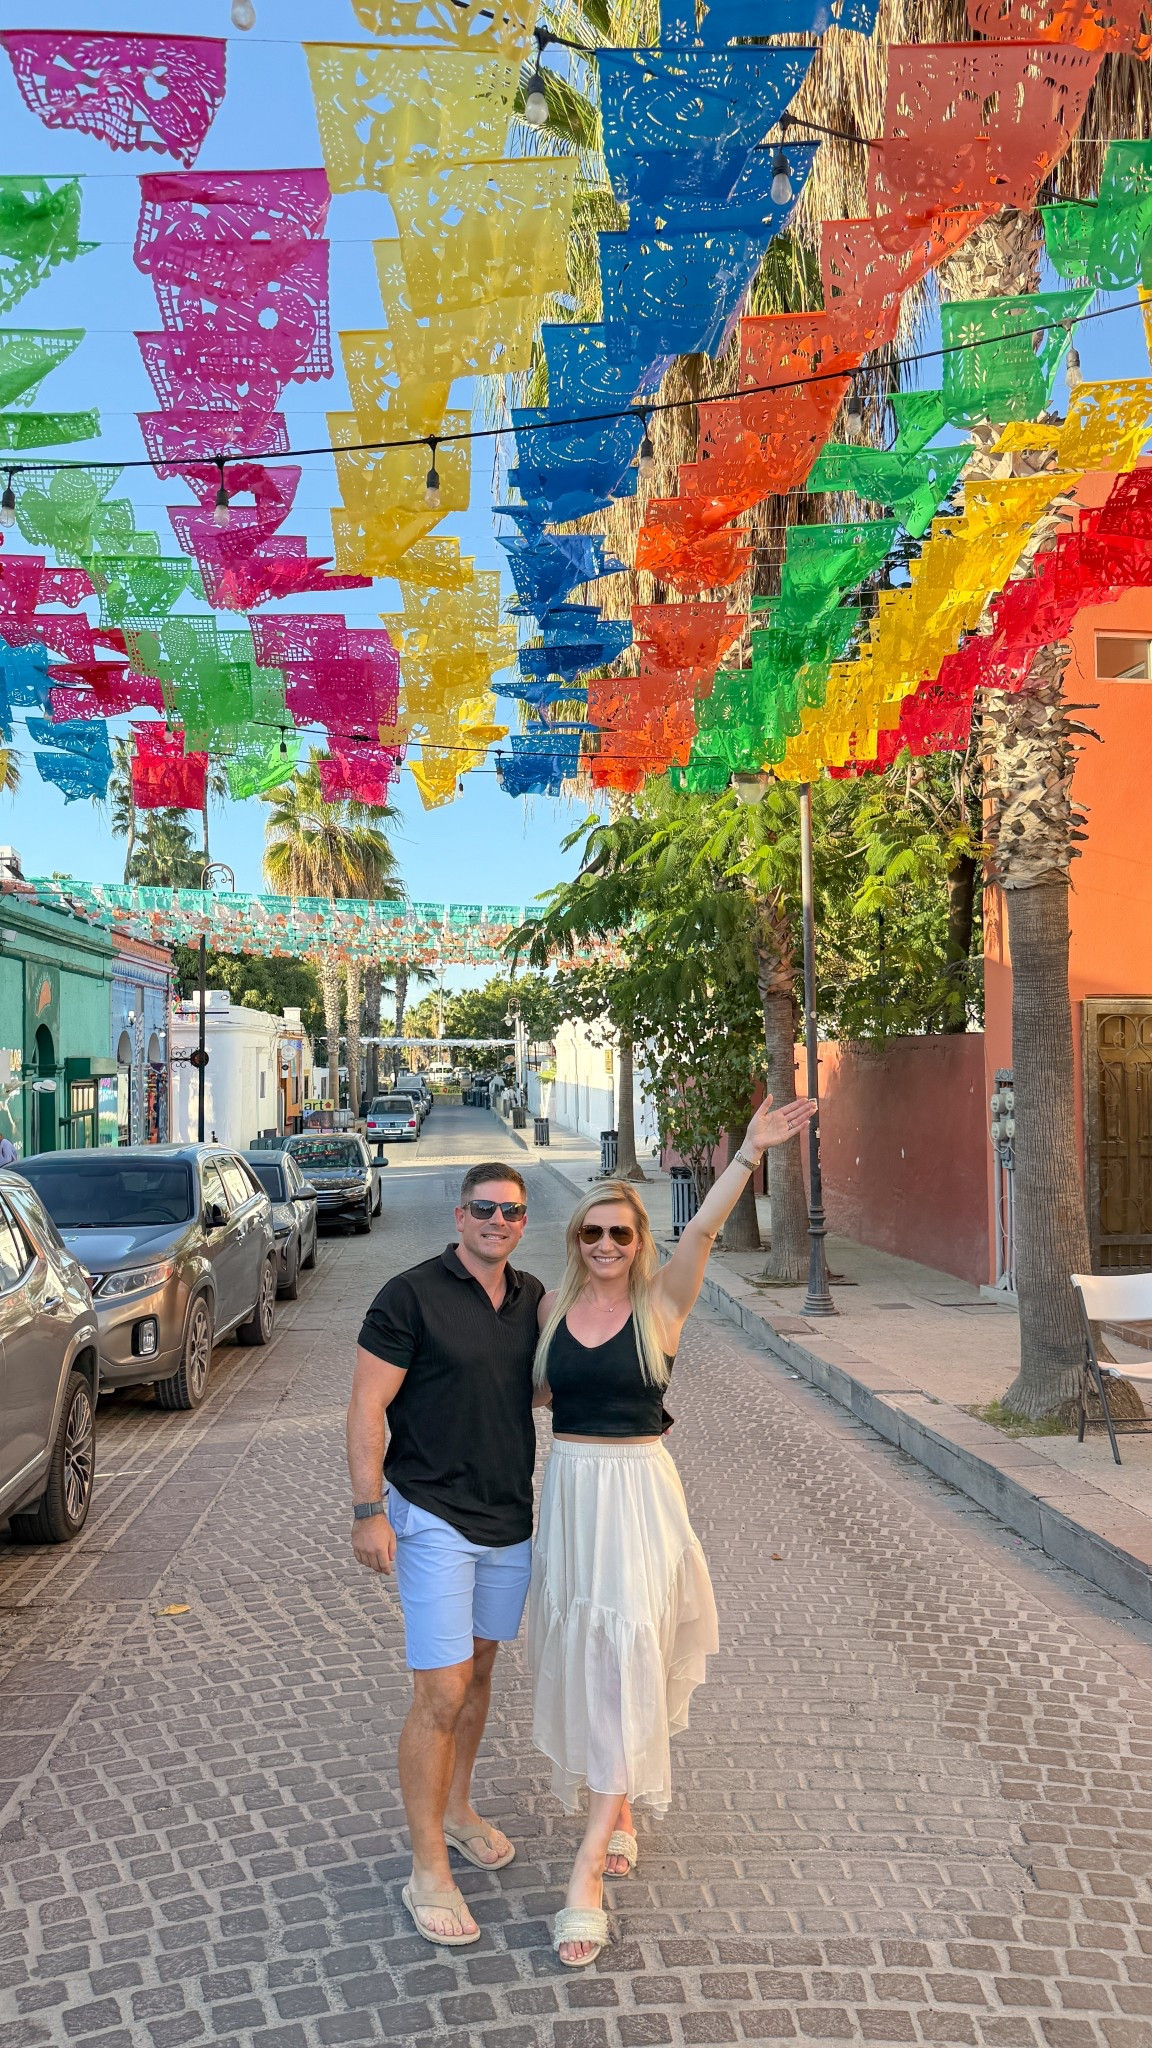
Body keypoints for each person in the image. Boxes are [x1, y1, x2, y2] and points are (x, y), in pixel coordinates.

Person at [530, 1089, 817, 1967]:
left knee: (625, 1649)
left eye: (622, 1234)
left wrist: (747, 1156)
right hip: (571, 1496)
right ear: (576, 1241)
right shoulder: (549, 1318)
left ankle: (585, 1871)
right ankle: (616, 1808)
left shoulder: (662, 1307)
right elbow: (531, 1400)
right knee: (588, 1655)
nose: (608, 1246)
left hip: (638, 1496)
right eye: (593, 1234)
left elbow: (700, 1236)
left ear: (639, 1243)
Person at [347, 1161, 544, 1947]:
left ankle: (458, 1808)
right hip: (430, 1517)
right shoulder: (409, 1295)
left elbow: (548, 1380)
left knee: (483, 1670)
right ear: (459, 1217)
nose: (499, 1221)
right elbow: (367, 1404)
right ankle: (427, 1866)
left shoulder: (532, 1299)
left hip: (510, 1519)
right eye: (485, 1209)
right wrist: (369, 1511)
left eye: (513, 1211)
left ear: (524, 1223)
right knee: (441, 1691)